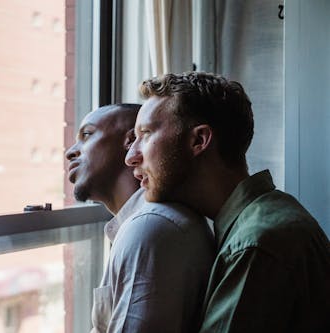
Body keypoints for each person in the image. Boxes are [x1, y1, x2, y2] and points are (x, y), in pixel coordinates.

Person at [125, 72, 330, 333]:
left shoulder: (256, 243)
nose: (131, 157)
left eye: (146, 134)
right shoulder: (265, 218)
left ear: (199, 140)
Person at [65, 103, 214, 333]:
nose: (71, 152)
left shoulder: (150, 227)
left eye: (87, 135)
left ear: (131, 141)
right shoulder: (147, 223)